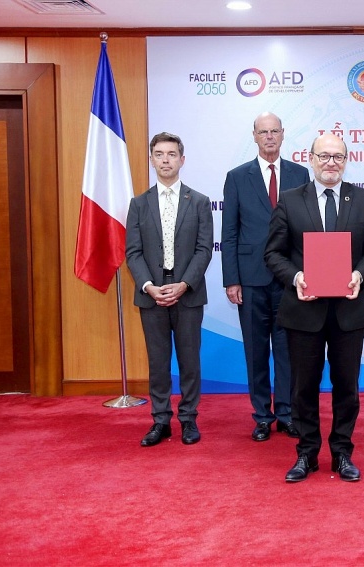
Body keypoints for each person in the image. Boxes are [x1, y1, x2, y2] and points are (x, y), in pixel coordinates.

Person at [264, 133, 364, 482]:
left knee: (347, 387)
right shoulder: (290, 200)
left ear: (346, 161)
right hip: (304, 311)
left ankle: (342, 452)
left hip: (349, 312)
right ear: (311, 159)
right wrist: (296, 277)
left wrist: (359, 275)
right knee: (303, 387)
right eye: (324, 156)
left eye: (338, 156)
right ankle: (306, 453)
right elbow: (273, 253)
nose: (331, 162)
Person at [221, 112, 310, 442]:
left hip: (290, 278)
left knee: (288, 351)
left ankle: (286, 413)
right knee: (256, 351)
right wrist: (232, 279)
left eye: (274, 131)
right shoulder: (236, 177)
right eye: (263, 132)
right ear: (254, 136)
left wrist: (307, 272)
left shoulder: (300, 174)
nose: (269, 137)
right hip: (250, 279)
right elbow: (229, 232)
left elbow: (307, 228)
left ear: (283, 134)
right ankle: (262, 416)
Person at [125, 132, 213, 446]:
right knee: (158, 362)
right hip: (152, 296)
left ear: (182, 160)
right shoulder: (138, 204)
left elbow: (204, 249)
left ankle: (188, 419)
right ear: (151, 160)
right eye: (159, 154)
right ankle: (160, 421)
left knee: (189, 362)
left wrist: (184, 284)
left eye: (171, 154)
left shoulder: (199, 201)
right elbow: (133, 252)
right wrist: (149, 286)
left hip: (188, 294)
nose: (165, 160)